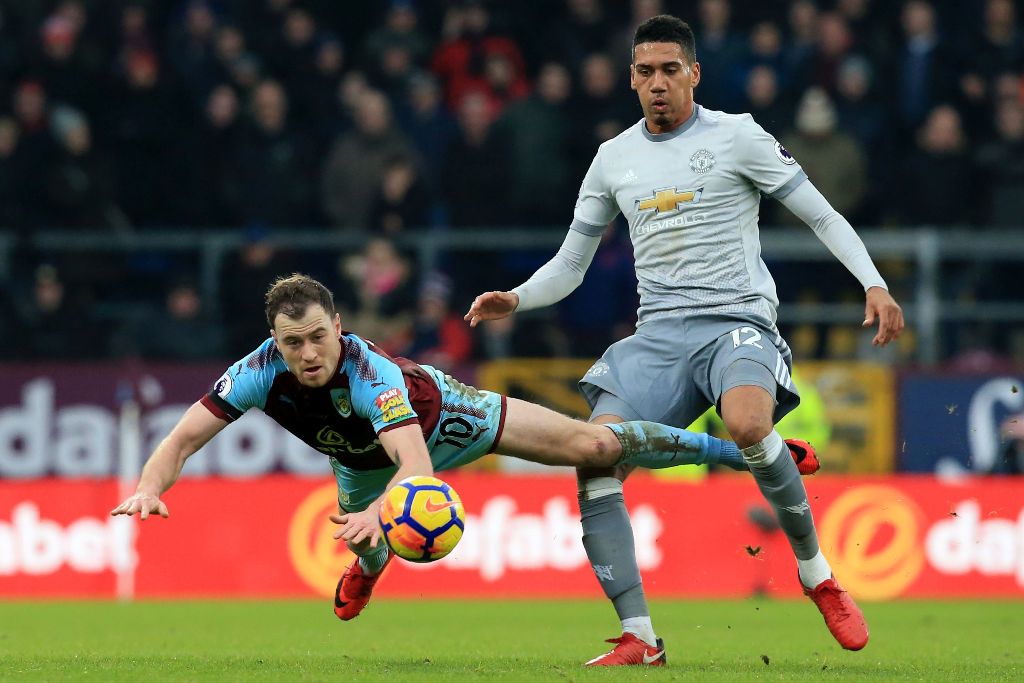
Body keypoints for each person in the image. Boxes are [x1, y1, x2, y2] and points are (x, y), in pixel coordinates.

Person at [465, 15, 903, 666]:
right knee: (595, 455)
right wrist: (518, 297)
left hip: (737, 321)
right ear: (631, 80)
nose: (658, 83)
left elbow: (819, 210)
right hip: (659, 335)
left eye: (671, 69)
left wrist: (873, 282)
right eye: (645, 71)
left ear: (694, 73)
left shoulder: (738, 136)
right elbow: (571, 263)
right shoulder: (613, 158)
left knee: (749, 422)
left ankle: (817, 574)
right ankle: (640, 635)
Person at [111, 274, 815, 626]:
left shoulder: (370, 373)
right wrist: (151, 485)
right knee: (368, 543)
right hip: (361, 464)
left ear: (339, 326)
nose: (307, 352)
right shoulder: (257, 370)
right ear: (275, 340)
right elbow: (180, 439)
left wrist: (388, 510)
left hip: (451, 418)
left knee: (594, 442)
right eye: (293, 342)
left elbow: (416, 473)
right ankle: (369, 567)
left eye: (318, 336)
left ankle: (738, 452)